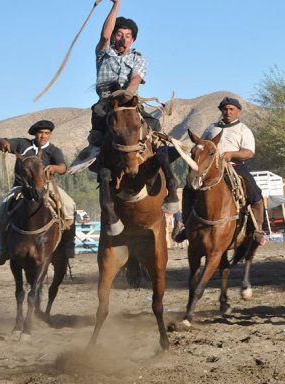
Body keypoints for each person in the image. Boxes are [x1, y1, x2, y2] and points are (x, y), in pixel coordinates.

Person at [69, 0, 179, 210]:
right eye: (119, 34)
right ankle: (98, 161)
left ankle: (163, 169)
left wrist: (126, 95)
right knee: (99, 129)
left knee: (153, 126)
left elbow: (136, 79)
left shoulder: (139, 59)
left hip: (129, 102)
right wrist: (116, 4)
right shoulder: (103, 53)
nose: (123, 39)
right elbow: (103, 36)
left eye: (128, 36)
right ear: (113, 36)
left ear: (133, 39)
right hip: (106, 103)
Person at [174, 96, 266, 244]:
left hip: (235, 167)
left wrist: (232, 154)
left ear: (238, 111)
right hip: (211, 168)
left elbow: (249, 152)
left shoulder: (243, 129)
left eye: (231, 109)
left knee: (255, 191)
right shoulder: (211, 128)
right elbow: (203, 146)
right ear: (221, 111)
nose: (228, 112)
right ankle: (187, 227)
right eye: (225, 109)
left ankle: (258, 229)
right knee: (188, 189)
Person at [0, 120, 76, 265]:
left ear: (50, 135)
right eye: (40, 133)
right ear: (35, 134)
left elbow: (63, 167)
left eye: (47, 133)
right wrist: (1, 142)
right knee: (1, 214)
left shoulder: (53, 150)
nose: (43, 136)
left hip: (46, 186)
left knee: (69, 205)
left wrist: (55, 168)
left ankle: (68, 244)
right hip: (21, 187)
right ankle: (4, 249)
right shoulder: (22, 144)